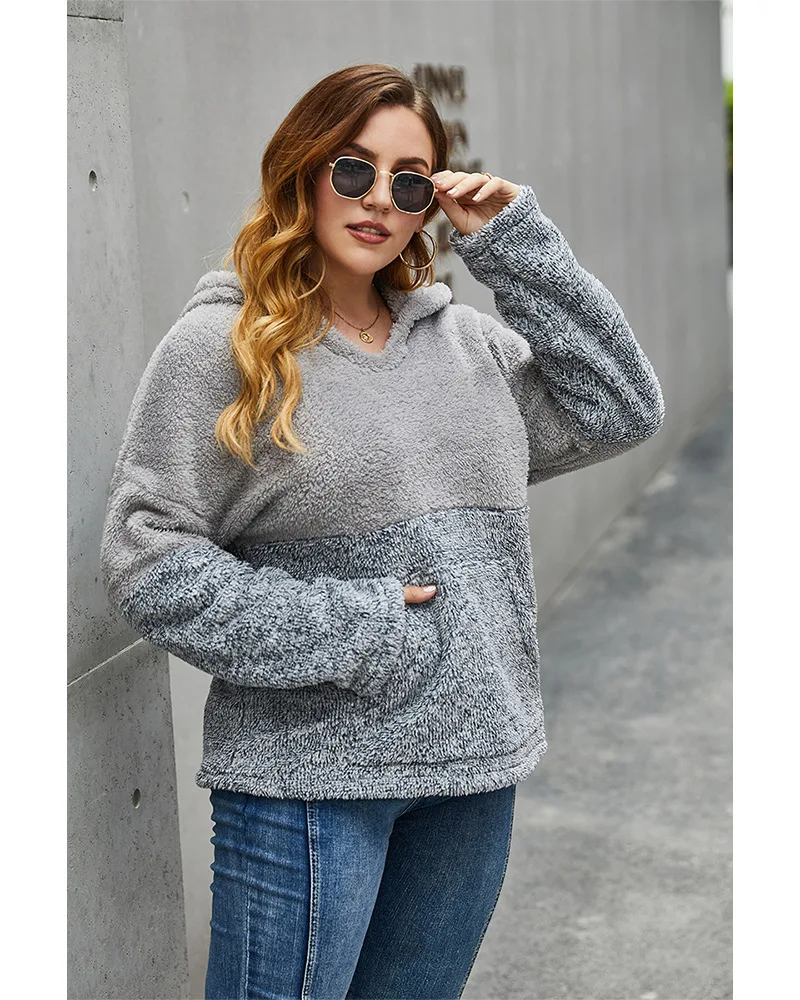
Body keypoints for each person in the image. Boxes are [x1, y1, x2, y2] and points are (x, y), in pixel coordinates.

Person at [100, 63, 665, 1000]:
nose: (377, 201)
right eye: (354, 169)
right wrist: (362, 629)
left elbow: (620, 405)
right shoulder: (225, 347)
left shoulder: (466, 346)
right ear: (305, 169)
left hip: (473, 769)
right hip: (309, 781)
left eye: (408, 182)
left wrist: (516, 246)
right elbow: (145, 558)